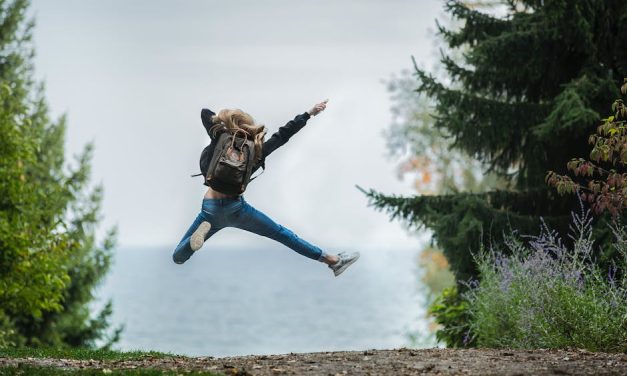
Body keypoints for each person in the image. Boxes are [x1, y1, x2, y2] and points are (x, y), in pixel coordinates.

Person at [172, 99, 360, 277]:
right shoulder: (256, 150)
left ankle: (192, 243)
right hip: (236, 209)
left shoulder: (220, 137)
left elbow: (205, 113)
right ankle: (333, 261)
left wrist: (223, 123)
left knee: (178, 257)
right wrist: (308, 114)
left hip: (210, 209)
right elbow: (283, 135)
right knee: (282, 234)